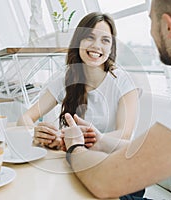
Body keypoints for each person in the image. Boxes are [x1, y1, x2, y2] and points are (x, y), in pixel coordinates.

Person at [62, 0, 171, 199]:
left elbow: (105, 181)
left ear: (168, 26)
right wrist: (102, 141)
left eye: (150, 21)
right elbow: (165, 155)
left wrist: (74, 147)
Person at [17, 12, 140, 150]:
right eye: (90, 37)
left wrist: (78, 141)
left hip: (112, 159)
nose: (96, 46)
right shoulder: (64, 80)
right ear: (78, 42)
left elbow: (125, 135)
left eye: (105, 40)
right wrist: (35, 132)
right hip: (74, 157)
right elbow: (25, 118)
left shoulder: (124, 82)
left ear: (111, 48)